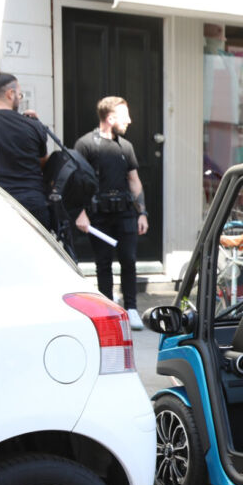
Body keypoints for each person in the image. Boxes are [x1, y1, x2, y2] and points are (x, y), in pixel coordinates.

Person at [74, 96, 149, 330]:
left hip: (125, 212)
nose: (130, 120)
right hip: (99, 214)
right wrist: (80, 213)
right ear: (110, 118)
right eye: (125, 116)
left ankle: (131, 308)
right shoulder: (85, 144)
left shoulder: (126, 146)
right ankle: (107, 310)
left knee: (129, 260)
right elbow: (76, 181)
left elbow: (134, 181)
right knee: (103, 263)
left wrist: (142, 212)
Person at [0, 70, 50, 228]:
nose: (20, 99)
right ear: (10, 94)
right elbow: (43, 162)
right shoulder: (33, 126)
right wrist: (35, 123)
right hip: (31, 205)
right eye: (20, 95)